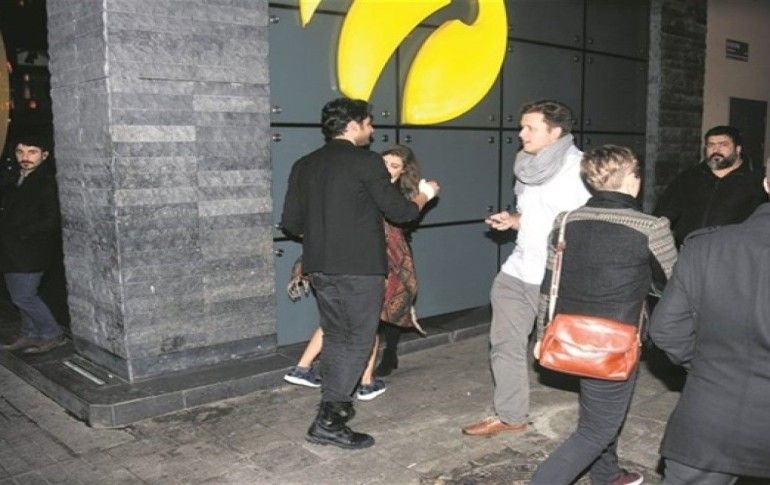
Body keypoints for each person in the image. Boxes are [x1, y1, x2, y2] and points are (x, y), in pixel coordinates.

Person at [280, 98, 439, 449]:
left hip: (320, 267)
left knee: (338, 337)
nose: (372, 130)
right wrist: (424, 195)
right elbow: (401, 212)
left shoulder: (304, 165)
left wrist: (327, 234)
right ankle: (330, 419)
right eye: (368, 123)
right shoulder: (366, 162)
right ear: (353, 126)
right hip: (359, 269)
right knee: (356, 341)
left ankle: (331, 408)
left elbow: (291, 222)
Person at [529, 145, 677, 485]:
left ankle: (607, 475)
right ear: (632, 179)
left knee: (598, 414)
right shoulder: (651, 227)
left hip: (569, 336)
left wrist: (541, 335)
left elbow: (549, 285)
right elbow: (674, 285)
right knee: (597, 430)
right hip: (614, 343)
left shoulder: (566, 221)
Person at [462, 100, 590, 437]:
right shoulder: (528, 165)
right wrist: (514, 220)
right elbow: (534, 215)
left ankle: (598, 422)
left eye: (530, 127)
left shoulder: (580, 169)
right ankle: (510, 415)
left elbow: (590, 226)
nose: (521, 133)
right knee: (505, 344)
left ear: (555, 132)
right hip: (517, 270)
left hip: (555, 275)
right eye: (522, 126)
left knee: (573, 351)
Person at [649, 162, 770, 484]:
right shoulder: (692, 181)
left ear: (767, 184)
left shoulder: (706, 245)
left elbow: (665, 329)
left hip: (709, 418)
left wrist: (707, 364)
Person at [284, 145, 427, 401]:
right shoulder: (367, 185)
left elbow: (401, 220)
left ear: (404, 172)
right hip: (364, 266)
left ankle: (304, 368)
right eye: (384, 163)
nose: (387, 169)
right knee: (361, 325)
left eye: (394, 166)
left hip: (373, 265)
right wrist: (425, 196)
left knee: (343, 323)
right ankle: (364, 383)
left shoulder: (391, 193)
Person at [0, 134, 66, 354]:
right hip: (11, 250)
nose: (25, 157)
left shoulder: (47, 182)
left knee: (24, 296)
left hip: (30, 251)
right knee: (17, 295)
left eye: (32, 152)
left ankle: (52, 333)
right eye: (20, 151)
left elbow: (51, 220)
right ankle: (30, 333)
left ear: (44, 155)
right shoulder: (16, 177)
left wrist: (20, 233)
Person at [654, 125, 767, 247]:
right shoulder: (689, 178)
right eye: (711, 145)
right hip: (689, 251)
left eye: (723, 145)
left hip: (733, 252)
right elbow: (663, 215)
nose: (716, 150)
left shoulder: (757, 180)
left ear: (738, 149)